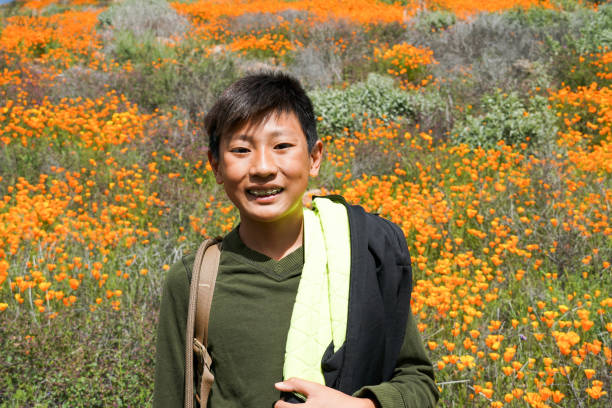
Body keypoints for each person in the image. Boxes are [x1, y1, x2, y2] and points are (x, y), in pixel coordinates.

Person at [153, 71, 439, 408]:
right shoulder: (193, 281)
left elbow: (418, 380)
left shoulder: (359, 257)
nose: (262, 167)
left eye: (282, 146)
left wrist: (365, 406)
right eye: (241, 149)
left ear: (314, 157)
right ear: (216, 166)